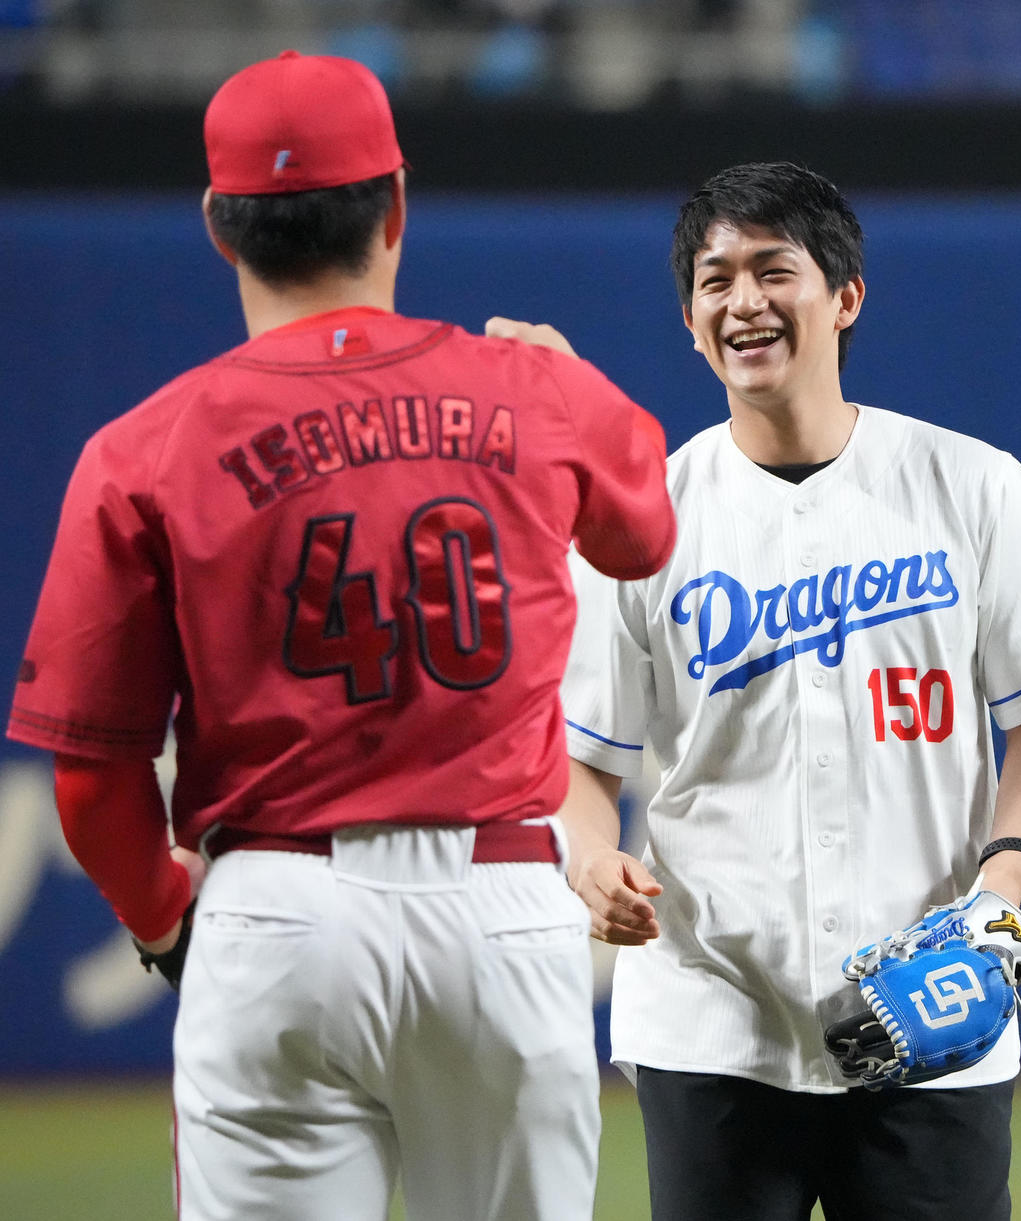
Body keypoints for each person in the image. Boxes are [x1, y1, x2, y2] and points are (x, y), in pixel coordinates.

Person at [6, 50, 675, 1221]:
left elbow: (91, 780)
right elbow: (644, 535)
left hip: (279, 905)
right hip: (503, 906)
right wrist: (570, 384)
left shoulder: (143, 448)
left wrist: (171, 922)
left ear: (219, 226)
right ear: (397, 204)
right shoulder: (530, 390)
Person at [555, 161, 1021, 1220]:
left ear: (844, 297)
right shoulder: (641, 524)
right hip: (710, 1018)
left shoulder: (971, 485)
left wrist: (999, 894)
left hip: (930, 1012)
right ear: (689, 321)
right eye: (714, 278)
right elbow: (582, 760)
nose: (743, 301)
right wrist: (591, 856)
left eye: (774, 270)